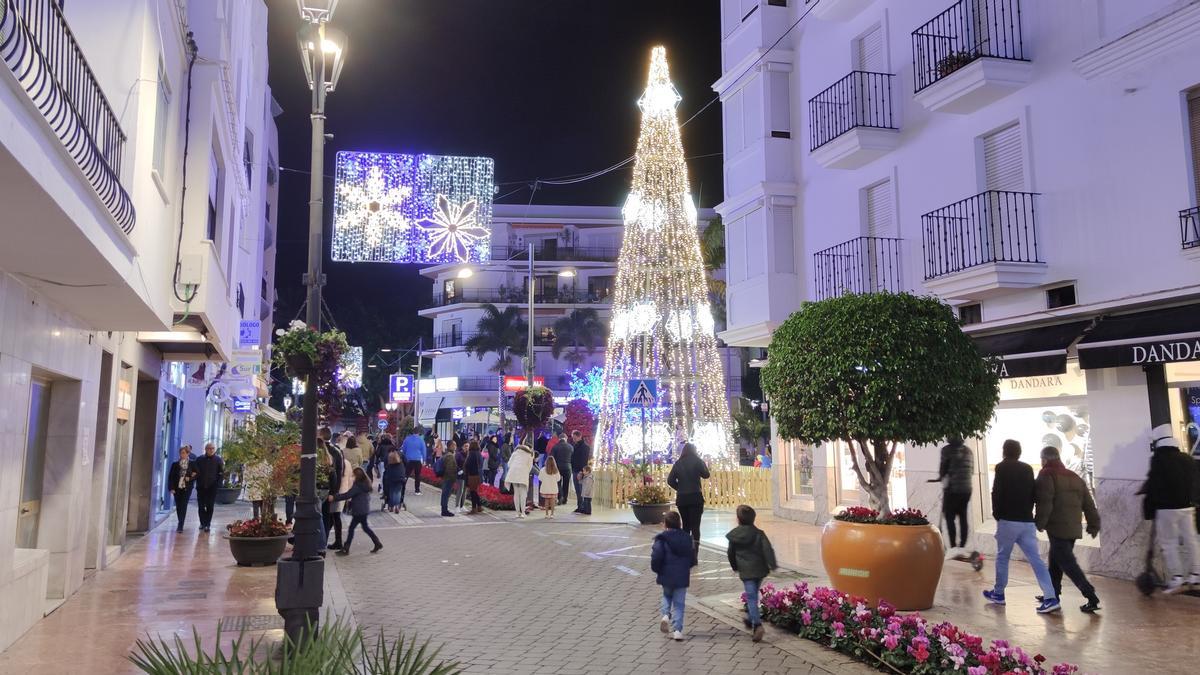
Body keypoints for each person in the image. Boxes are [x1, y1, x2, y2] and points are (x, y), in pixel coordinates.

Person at [982, 440, 1060, 613]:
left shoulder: (1002, 467)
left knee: (1003, 557)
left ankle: (999, 593)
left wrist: (997, 514)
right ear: (1019, 452)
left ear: (1004, 451)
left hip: (1008, 521)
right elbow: (1034, 492)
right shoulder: (1027, 469)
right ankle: (1050, 597)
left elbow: (997, 491)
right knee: (1036, 560)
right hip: (1026, 521)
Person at [1036, 445, 1101, 613]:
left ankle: (1090, 595)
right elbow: (1089, 503)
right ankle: (1052, 594)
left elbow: (1045, 501)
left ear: (1045, 459)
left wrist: (1039, 522)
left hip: (1057, 528)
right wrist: (1094, 524)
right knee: (1055, 562)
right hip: (1073, 528)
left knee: (1068, 564)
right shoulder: (1074, 476)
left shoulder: (1046, 474)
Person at [1143, 424, 1200, 593]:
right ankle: (1196, 574)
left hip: (1167, 509)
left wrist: (1148, 509)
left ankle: (1177, 578)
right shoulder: (1187, 459)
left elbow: (1154, 485)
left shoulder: (1158, 460)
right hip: (1187, 507)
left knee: (1169, 543)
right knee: (1191, 540)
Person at [725, 505, 777, 643]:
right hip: (760, 570)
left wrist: (734, 566)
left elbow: (730, 553)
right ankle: (750, 619)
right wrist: (772, 564)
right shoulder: (759, 534)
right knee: (753, 596)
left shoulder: (735, 536)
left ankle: (758, 626)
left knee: (752, 598)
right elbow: (767, 549)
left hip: (746, 571)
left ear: (738, 519)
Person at [651, 511, 697, 642]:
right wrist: (687, 567)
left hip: (666, 574)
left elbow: (657, 556)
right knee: (679, 604)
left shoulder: (662, 538)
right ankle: (677, 630)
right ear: (680, 523)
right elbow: (693, 557)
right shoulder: (687, 538)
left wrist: (657, 569)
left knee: (666, 595)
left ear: (665, 524)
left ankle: (665, 615)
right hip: (682, 575)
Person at [932, 437, 974, 555]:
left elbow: (943, 469)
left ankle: (953, 546)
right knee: (963, 516)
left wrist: (941, 477)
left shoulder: (946, 450)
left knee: (949, 517)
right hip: (967, 489)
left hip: (952, 489)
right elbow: (972, 471)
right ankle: (962, 545)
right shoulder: (968, 451)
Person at [328, 467, 383, 555]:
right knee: (365, 528)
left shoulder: (358, 485)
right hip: (364, 510)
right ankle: (377, 543)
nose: (353, 476)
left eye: (354, 475)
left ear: (357, 476)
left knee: (351, 529)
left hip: (359, 511)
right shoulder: (366, 484)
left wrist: (334, 497)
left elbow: (347, 495)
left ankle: (346, 548)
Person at [667, 442, 711, 552]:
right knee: (695, 526)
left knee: (686, 526)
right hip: (695, 497)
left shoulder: (678, 463)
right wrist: (703, 463)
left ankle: (686, 552)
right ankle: (695, 553)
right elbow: (706, 475)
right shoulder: (697, 461)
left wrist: (680, 488)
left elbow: (670, 480)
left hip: (682, 499)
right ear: (694, 451)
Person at [193, 442, 224, 532]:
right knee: (201, 506)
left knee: (210, 506)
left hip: (212, 487)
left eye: (213, 448)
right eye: (209, 448)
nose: (211, 450)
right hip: (201, 487)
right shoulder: (199, 459)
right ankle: (202, 523)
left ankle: (208, 524)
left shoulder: (218, 460)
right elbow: (195, 472)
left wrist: (218, 484)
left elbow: (221, 473)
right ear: (205, 449)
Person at [167, 445, 197, 532]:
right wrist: (171, 488)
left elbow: (197, 474)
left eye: (184, 453)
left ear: (188, 454)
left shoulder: (192, 464)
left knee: (183, 505)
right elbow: (171, 477)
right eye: (181, 453)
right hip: (177, 488)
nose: (182, 454)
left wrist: (190, 478)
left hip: (187, 488)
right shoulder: (175, 464)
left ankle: (180, 525)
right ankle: (180, 521)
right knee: (179, 506)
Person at [505, 443, 534, 520]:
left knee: (516, 493)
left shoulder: (515, 453)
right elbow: (530, 467)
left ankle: (517, 513)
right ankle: (523, 513)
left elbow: (509, 464)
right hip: (523, 475)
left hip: (513, 474)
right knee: (523, 494)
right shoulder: (529, 454)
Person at [570, 430, 592, 513]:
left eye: (575, 438)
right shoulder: (575, 445)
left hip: (580, 471)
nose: (574, 439)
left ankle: (583, 507)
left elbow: (583, 460)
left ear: (579, 436)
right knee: (578, 490)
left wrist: (581, 471)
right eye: (573, 438)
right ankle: (580, 506)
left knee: (581, 489)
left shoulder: (584, 447)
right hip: (575, 469)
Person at [435, 440, 458, 517]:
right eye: (454, 445)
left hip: (446, 478)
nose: (455, 446)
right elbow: (450, 469)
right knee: (446, 494)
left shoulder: (447, 455)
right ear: (450, 446)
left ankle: (444, 509)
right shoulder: (450, 456)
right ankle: (444, 510)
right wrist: (453, 478)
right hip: (448, 479)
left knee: (445, 494)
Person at [402, 426, 427, 496]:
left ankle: (402, 488)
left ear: (413, 432)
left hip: (408, 459)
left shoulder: (407, 439)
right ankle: (417, 490)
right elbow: (424, 451)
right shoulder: (421, 440)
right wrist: (424, 460)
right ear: (419, 432)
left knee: (406, 474)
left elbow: (404, 449)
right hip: (417, 459)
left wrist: (404, 456)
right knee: (417, 475)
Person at [551, 432, 574, 506]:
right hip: (568, 467)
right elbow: (573, 457)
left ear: (559, 438)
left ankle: (560, 496)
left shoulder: (555, 447)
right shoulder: (570, 447)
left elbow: (552, 458)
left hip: (558, 467)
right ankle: (565, 499)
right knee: (566, 483)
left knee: (558, 482)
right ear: (566, 438)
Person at [383, 447, 407, 513]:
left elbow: (385, 466)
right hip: (400, 476)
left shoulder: (388, 457)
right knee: (398, 491)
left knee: (391, 491)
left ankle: (391, 506)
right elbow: (406, 463)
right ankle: (397, 505)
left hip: (390, 477)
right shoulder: (401, 457)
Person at [465, 440, 484, 515]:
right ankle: (479, 506)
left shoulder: (472, 454)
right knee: (475, 491)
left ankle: (474, 508)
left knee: (473, 492)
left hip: (473, 475)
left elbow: (468, 464)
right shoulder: (478, 453)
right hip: (478, 475)